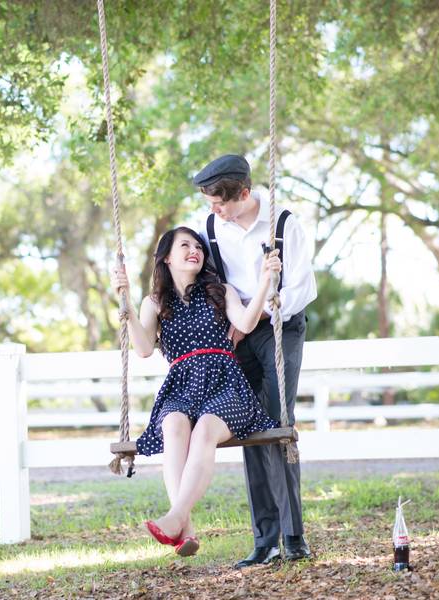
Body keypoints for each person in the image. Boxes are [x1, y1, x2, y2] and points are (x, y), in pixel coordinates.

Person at [111, 226, 282, 557]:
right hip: (181, 386)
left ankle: (177, 518)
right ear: (166, 257)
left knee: (204, 429)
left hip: (225, 383)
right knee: (174, 425)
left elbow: (246, 323)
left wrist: (265, 282)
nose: (195, 251)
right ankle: (184, 526)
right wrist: (126, 301)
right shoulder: (154, 302)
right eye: (185, 245)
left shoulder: (220, 291)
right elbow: (143, 348)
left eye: (199, 247)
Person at [193, 154, 317, 567]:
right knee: (248, 424)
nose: (215, 211)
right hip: (236, 332)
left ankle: (293, 536)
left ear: (244, 193)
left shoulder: (284, 223)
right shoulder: (210, 227)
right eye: (211, 204)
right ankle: (265, 540)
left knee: (278, 422)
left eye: (220, 203)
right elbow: (203, 279)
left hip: (280, 327)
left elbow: (302, 288)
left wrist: (258, 314)